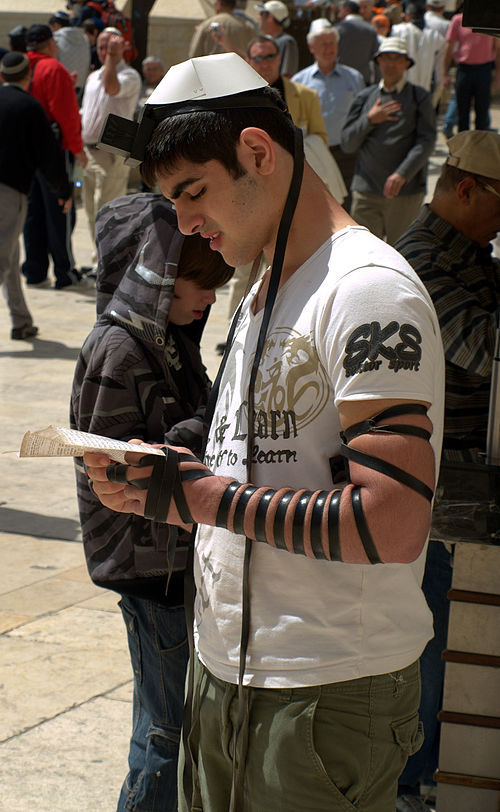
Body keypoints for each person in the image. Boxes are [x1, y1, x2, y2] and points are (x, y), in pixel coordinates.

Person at [84, 51, 445, 812]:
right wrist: (173, 461)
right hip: (228, 672)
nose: (181, 223)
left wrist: (204, 499)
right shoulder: (260, 288)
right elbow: (263, 453)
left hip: (326, 687)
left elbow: (395, 519)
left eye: (193, 193)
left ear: (258, 153)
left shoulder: (366, 289)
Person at [71, 192, 234, 812]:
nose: (209, 297)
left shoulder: (171, 339)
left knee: (179, 729)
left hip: (174, 567)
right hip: (150, 574)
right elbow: (118, 470)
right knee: (164, 736)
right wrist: (207, 428)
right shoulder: (119, 350)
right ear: (154, 276)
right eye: (198, 281)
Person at [393, 130, 500, 812]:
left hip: (463, 483)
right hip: (434, 492)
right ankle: (412, 785)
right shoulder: (425, 260)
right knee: (430, 654)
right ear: (466, 190)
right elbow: (484, 347)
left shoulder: (471, 253)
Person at [0, 52, 72, 339]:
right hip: (8, 192)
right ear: (27, 77)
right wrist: (63, 190)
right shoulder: (29, 106)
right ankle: (20, 321)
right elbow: (49, 155)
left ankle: (21, 320)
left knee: (10, 256)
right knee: (2, 258)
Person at [341, 36, 436, 244]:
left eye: (397, 58)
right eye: (386, 58)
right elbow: (348, 143)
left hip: (405, 193)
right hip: (366, 191)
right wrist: (369, 120)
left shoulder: (419, 97)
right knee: (364, 254)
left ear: (406, 63)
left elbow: (427, 140)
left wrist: (402, 173)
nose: (391, 64)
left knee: (403, 254)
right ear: (378, 61)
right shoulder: (365, 98)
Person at [23, 24, 87, 290]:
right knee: (62, 208)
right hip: (54, 150)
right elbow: (66, 115)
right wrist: (77, 148)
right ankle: (64, 270)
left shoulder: (21, 67)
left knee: (33, 212)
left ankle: (35, 270)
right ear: (51, 44)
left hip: (26, 152)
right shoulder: (54, 69)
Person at [80, 28, 141, 258]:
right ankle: (101, 259)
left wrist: (112, 61)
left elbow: (111, 88)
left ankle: (109, 261)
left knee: (108, 210)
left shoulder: (129, 76)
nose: (105, 51)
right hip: (88, 152)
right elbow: (86, 111)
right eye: (102, 47)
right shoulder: (92, 77)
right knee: (90, 209)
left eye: (110, 47)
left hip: (110, 152)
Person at [293, 17, 364, 211]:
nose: (328, 47)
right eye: (322, 43)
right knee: (315, 205)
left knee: (346, 204)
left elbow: (361, 116)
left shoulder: (354, 78)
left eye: (332, 42)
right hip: (313, 154)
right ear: (311, 46)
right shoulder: (300, 81)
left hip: (346, 152)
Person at [444, 10, 500, 132]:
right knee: (462, 113)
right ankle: (464, 148)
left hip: (484, 70)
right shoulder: (458, 20)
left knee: (482, 113)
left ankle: (479, 148)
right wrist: (445, 74)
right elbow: (449, 47)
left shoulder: (491, 19)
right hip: (464, 69)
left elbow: (497, 50)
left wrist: (498, 75)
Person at [392, 2, 446, 103]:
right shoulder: (434, 36)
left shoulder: (398, 30)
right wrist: (439, 84)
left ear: (408, 15)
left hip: (402, 87)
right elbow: (439, 65)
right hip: (423, 88)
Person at [188, 0, 255, 59]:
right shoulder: (247, 26)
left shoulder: (206, 25)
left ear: (219, 4)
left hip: (211, 70)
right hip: (240, 70)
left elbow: (194, 54)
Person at [49, 9, 90, 101]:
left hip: (60, 90)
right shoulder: (84, 39)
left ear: (56, 25)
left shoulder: (55, 39)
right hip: (80, 90)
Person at [335, 0, 379, 85]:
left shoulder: (337, 30)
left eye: (340, 10)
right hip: (364, 80)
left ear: (347, 10)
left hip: (340, 80)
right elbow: (376, 59)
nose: (338, 14)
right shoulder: (370, 30)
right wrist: (377, 82)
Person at [255, 0, 299, 77]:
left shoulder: (287, 42)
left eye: (261, 13)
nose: (258, 17)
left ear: (270, 17)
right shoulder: (264, 41)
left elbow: (287, 75)